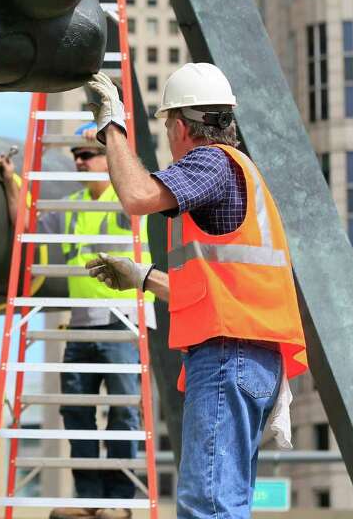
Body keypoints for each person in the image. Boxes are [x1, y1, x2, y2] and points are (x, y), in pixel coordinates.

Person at [83, 63, 307, 519]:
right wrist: (142, 277)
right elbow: (211, 292)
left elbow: (137, 196)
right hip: (251, 358)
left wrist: (112, 125)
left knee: (207, 506)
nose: (169, 137)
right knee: (224, 503)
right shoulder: (241, 171)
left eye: (168, 126)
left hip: (228, 357)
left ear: (182, 126)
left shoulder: (211, 162)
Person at [0, 126, 153, 519]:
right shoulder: (72, 205)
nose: (80, 162)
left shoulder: (132, 196)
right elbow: (26, 232)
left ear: (108, 158)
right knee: (76, 412)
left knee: (124, 411)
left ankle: (118, 501)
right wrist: (10, 183)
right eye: (77, 156)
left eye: (88, 154)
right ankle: (90, 499)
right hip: (81, 322)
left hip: (123, 320)